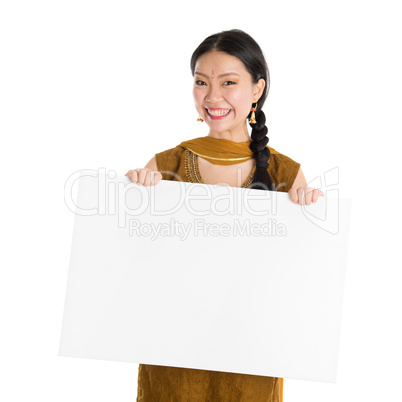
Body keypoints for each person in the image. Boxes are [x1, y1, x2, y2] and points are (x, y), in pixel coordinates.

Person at [126, 29, 324, 402]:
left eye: (228, 82)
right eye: (201, 82)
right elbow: (131, 268)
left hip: (251, 355)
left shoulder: (284, 172)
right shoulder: (165, 166)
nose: (212, 96)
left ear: (256, 90)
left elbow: (300, 282)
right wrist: (136, 195)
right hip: (173, 354)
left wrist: (310, 215)